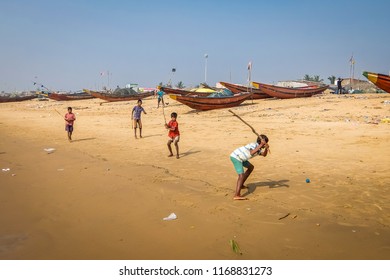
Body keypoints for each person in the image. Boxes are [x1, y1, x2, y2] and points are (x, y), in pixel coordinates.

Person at [230, 135, 269, 200]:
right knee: (241, 175)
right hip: (236, 157)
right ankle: (237, 195)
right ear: (261, 142)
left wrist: (266, 149)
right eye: (265, 143)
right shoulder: (254, 145)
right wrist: (261, 145)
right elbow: (252, 152)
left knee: (251, 167)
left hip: (242, 159)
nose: (266, 144)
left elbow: (264, 155)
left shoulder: (258, 148)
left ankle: (241, 185)